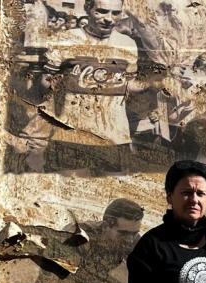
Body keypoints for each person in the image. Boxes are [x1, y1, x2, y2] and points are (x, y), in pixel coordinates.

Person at [18, 0, 140, 172]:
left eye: (115, 13)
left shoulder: (128, 44)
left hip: (115, 136)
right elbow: (44, 85)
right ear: (88, 9)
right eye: (102, 11)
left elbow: (129, 87)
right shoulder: (66, 39)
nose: (109, 19)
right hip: (73, 133)